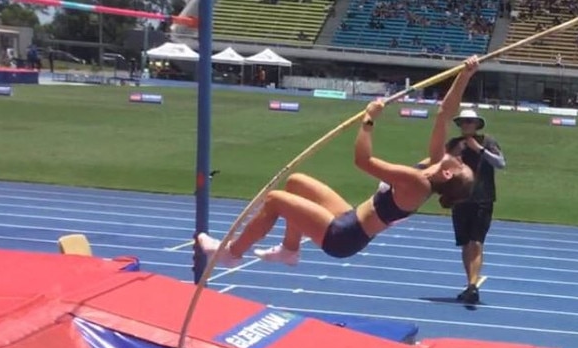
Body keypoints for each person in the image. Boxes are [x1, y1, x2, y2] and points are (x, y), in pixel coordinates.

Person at [197, 56, 481, 267]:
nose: (458, 156)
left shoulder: (417, 182)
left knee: (274, 200)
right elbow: (445, 113)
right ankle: (289, 249)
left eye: (460, 164)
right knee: (296, 183)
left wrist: (369, 120)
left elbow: (363, 160)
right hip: (350, 217)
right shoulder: (432, 164)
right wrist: (466, 74)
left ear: (446, 174)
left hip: (344, 236)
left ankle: (231, 254)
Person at [446, 108, 506, 304]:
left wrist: (479, 150)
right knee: (464, 243)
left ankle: (473, 286)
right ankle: (469, 285)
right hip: (460, 200)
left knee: (476, 242)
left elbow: (501, 163)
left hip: (483, 198)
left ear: (477, 124)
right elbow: (443, 168)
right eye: (464, 122)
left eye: (470, 122)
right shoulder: (454, 144)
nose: (467, 125)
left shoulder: (487, 142)